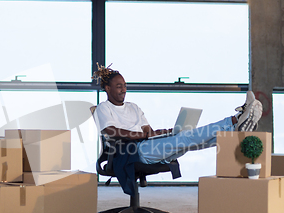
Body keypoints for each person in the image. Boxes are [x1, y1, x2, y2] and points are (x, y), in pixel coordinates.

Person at [92, 64, 263, 166]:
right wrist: (144, 135)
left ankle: (234, 129)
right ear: (107, 89)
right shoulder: (103, 108)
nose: (124, 89)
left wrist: (161, 133)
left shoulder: (134, 107)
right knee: (187, 139)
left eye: (125, 85)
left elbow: (148, 131)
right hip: (133, 152)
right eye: (119, 86)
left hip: (149, 145)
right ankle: (233, 121)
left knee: (194, 142)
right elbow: (112, 133)